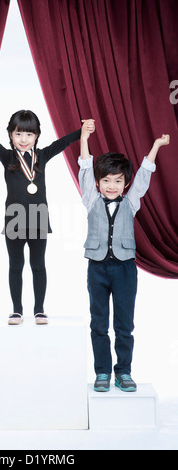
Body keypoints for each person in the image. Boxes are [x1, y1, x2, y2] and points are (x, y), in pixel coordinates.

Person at [0, 110, 93, 325]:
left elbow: (62, 143)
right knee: (15, 266)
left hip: (39, 218)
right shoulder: (7, 156)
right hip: (14, 218)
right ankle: (16, 310)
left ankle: (39, 310)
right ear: (10, 135)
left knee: (38, 265)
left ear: (36, 136)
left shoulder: (42, 156)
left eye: (29, 134)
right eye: (18, 134)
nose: (23, 139)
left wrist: (81, 132)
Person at [79, 119, 170, 392]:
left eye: (117, 181)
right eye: (105, 180)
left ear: (125, 183)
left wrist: (156, 146)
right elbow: (84, 166)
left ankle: (124, 371)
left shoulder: (131, 201)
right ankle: (103, 373)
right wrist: (84, 137)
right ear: (97, 182)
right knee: (98, 323)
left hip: (125, 269)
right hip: (97, 268)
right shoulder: (91, 199)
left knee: (124, 325)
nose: (111, 185)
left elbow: (144, 175)